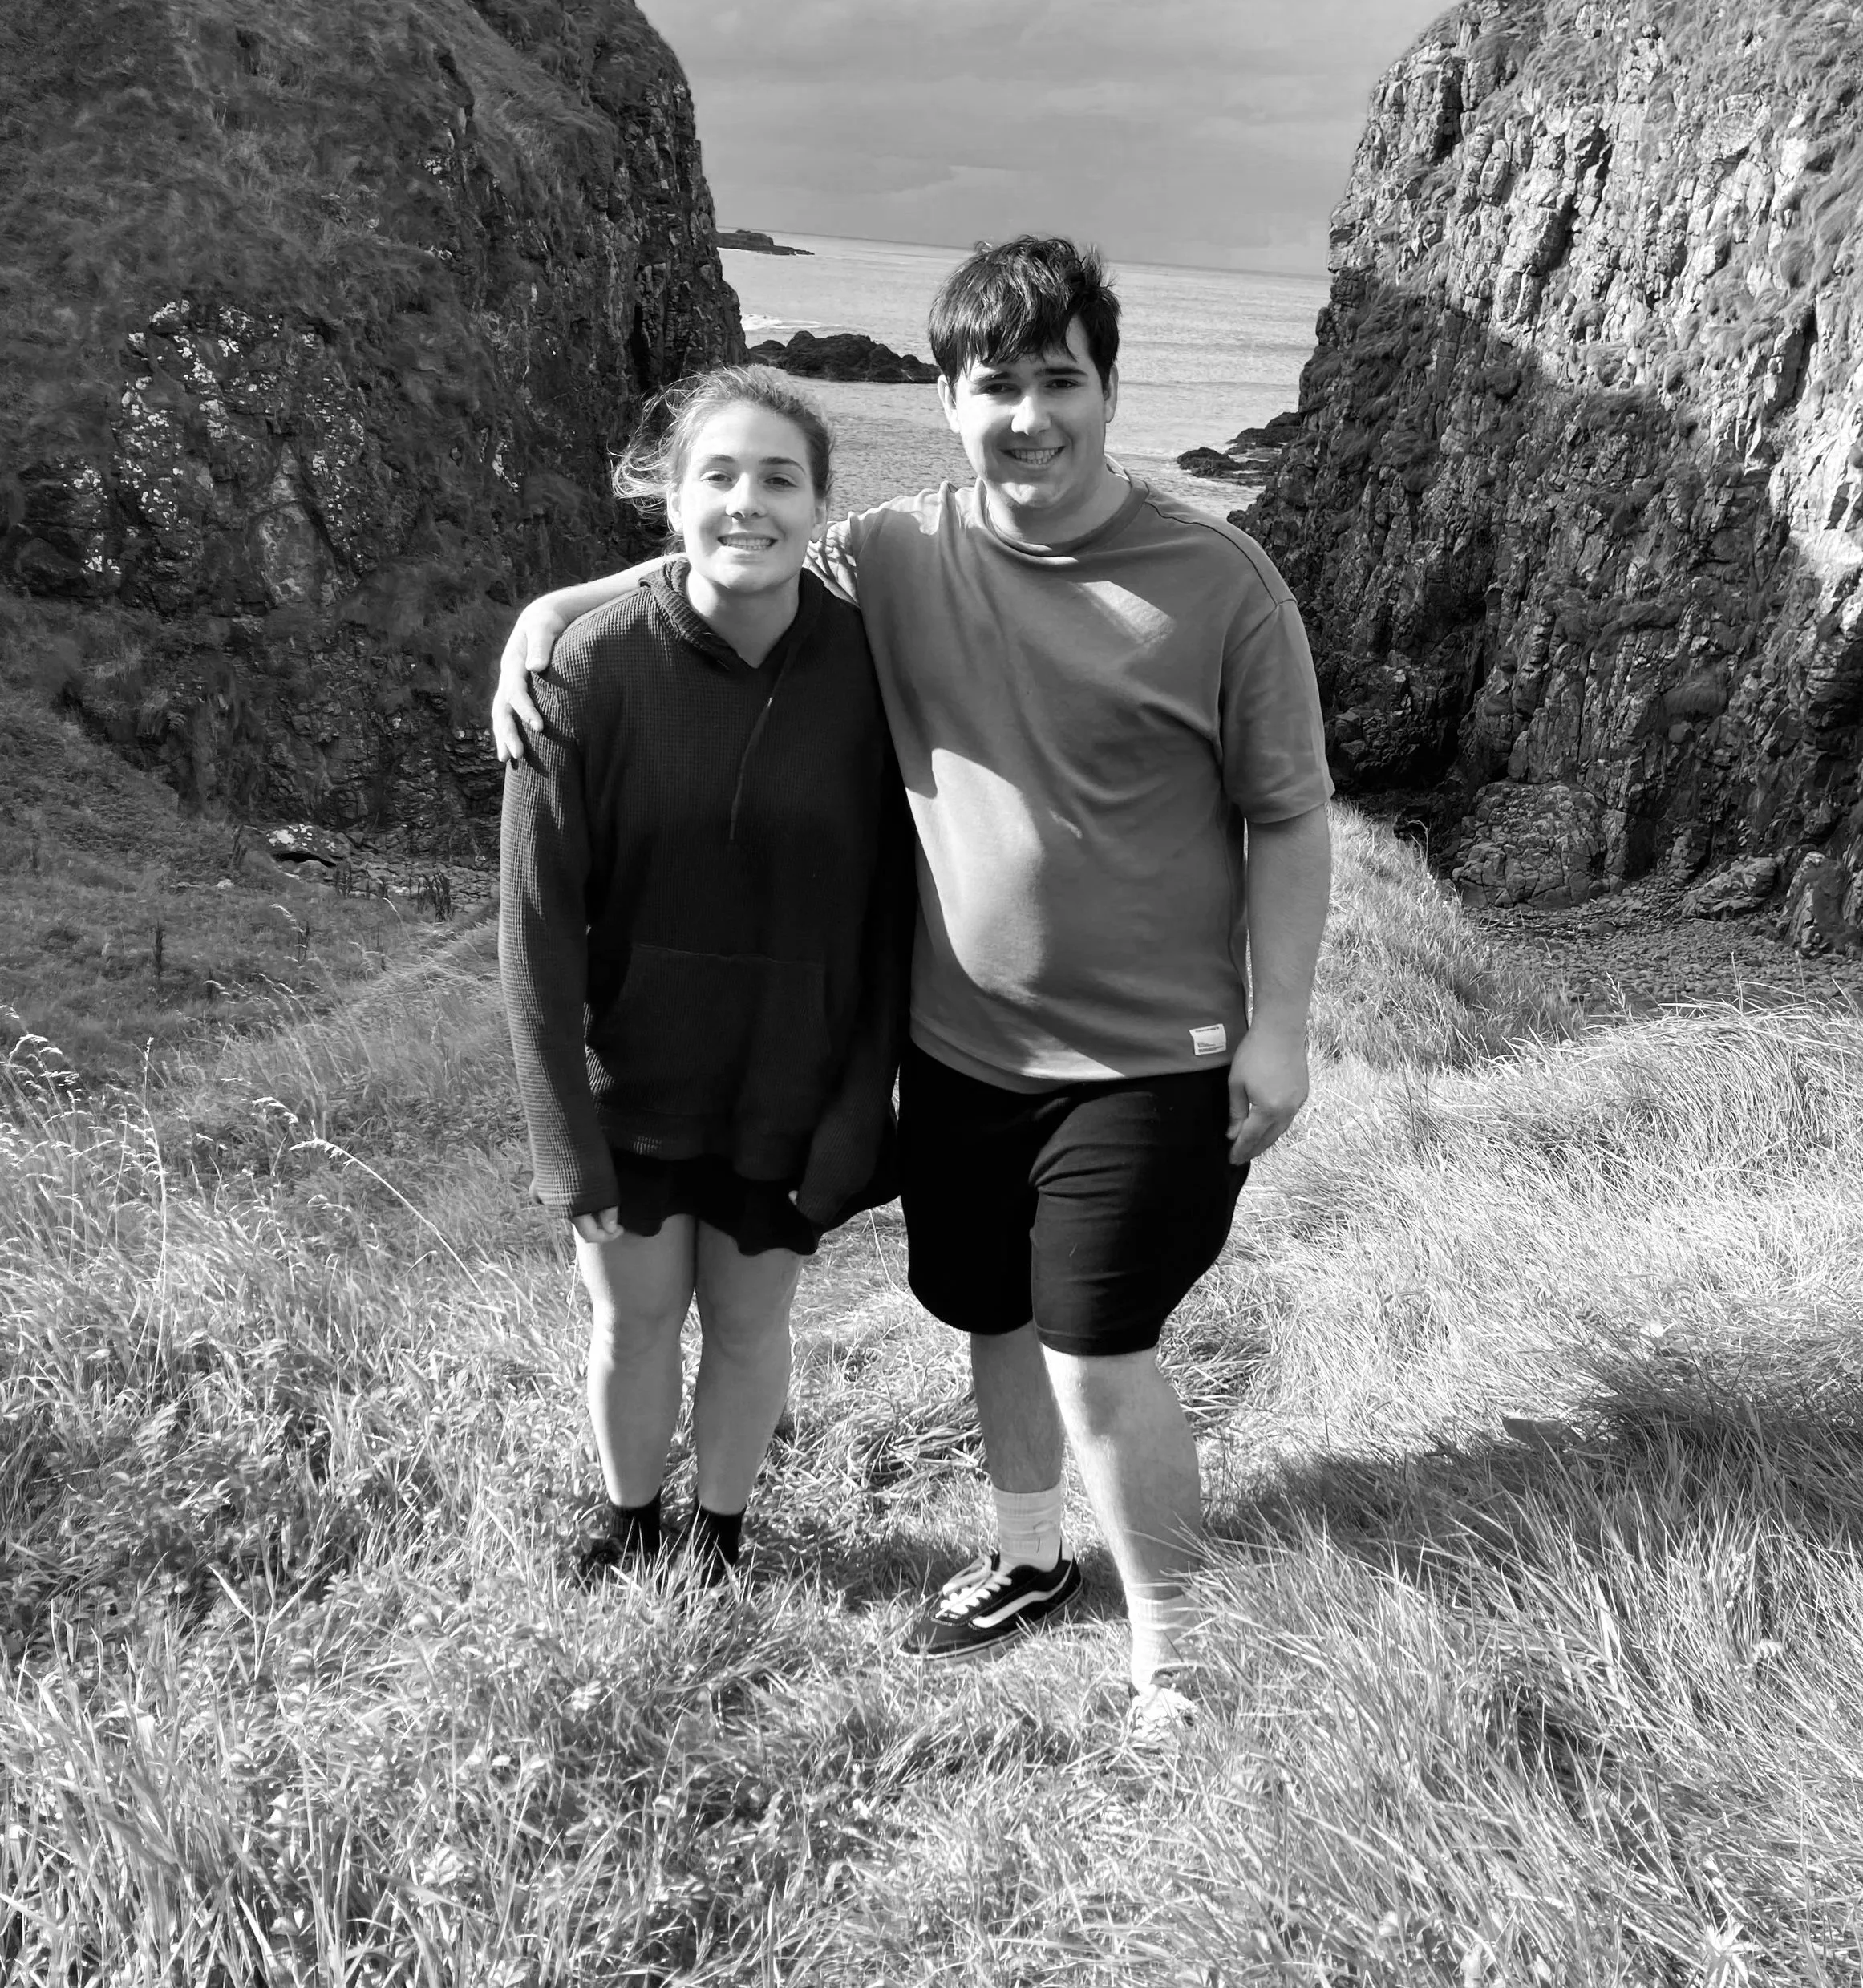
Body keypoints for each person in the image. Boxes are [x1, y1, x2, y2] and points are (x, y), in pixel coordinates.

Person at [494, 241, 1330, 1734]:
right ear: (949, 403)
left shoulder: (1220, 582)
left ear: (1110, 389)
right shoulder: (897, 551)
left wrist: (1280, 1026)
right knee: (994, 1311)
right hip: (961, 1053)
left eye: (1061, 381)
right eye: (996, 386)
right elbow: (731, 546)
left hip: (1152, 1054)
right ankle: (1028, 1558)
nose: (1030, 417)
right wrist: (549, 613)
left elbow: (1291, 812)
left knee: (1094, 1344)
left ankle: (1175, 1659)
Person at [498, 368, 908, 1585]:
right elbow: (535, 927)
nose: (747, 503)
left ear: (821, 505)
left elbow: (892, 923)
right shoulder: (587, 665)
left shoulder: (874, 675)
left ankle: (718, 1543)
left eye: (779, 478)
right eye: (717, 476)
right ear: (671, 501)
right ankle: (631, 1527)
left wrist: (858, 1113)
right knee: (632, 1324)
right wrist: (562, 1140)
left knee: (747, 1325)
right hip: (629, 1087)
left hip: (789, 1087)